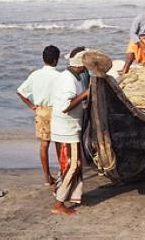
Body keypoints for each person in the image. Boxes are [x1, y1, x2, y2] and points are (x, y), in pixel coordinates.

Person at [50, 50, 90, 215]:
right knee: (74, 165)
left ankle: (61, 191)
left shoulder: (72, 76)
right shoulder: (69, 80)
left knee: (66, 163)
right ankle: (59, 203)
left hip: (65, 127)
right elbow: (66, 106)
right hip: (67, 129)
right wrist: (85, 94)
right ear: (81, 64)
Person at [17, 45, 62, 186]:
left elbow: (20, 91)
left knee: (44, 145)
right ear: (56, 60)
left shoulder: (35, 75)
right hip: (55, 110)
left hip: (41, 110)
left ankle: (47, 177)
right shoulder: (60, 76)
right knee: (60, 143)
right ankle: (62, 172)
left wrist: (31, 106)